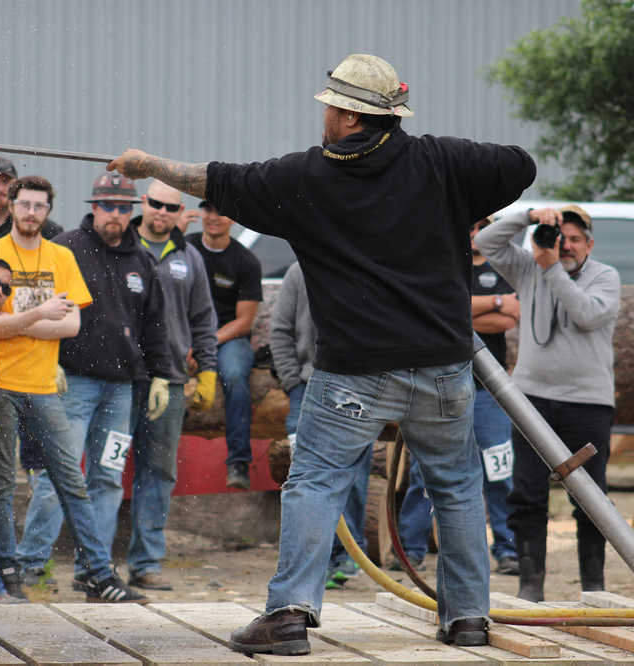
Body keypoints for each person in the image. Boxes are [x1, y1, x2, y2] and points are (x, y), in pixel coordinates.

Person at [108, 52, 536, 654]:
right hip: (442, 367)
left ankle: (288, 614)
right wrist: (458, 195)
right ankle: (467, 618)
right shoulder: (441, 160)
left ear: (345, 113)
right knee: (457, 486)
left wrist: (147, 165)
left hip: (351, 376)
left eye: (331, 106)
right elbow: (520, 164)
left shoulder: (305, 179)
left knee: (315, 482)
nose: (325, 114)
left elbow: (219, 179)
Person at [0, 175, 146, 603]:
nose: (32, 213)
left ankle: (98, 573)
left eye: (40, 207)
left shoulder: (61, 256)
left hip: (44, 387)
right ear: (11, 206)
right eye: (25, 205)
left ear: (49, 211)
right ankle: (6, 574)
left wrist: (21, 320)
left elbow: (72, 324)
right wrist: (40, 317)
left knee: (72, 478)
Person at [14, 172, 176, 591]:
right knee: (58, 474)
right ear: (94, 206)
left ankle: (94, 571)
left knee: (107, 476)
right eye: (109, 206)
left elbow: (155, 325)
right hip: (73, 384)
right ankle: (29, 566)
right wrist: (49, 362)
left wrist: (160, 377)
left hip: (121, 389)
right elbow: (39, 313)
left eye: (124, 208)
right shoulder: (65, 249)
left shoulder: (142, 261)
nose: (117, 215)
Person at [475, 204, 621, 602]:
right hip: (532, 401)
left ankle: (594, 586)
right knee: (527, 496)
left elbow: (587, 314)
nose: (567, 245)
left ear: (590, 244)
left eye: (575, 239)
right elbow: (485, 240)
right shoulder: (528, 268)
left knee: (591, 499)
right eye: (561, 237)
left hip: (587, 404)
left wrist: (552, 268)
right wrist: (529, 217)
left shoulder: (605, 276)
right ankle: (531, 586)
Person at [394, 217, 522, 575]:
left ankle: (508, 548)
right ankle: (411, 549)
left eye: (482, 225)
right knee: (423, 471)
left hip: (490, 392)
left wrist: (464, 312)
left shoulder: (502, 268)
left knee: (499, 469)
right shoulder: (444, 266)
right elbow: (440, 314)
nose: (474, 232)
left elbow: (509, 319)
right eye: (469, 225)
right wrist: (494, 303)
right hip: (441, 386)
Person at [127, 180, 219, 590]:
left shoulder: (190, 257)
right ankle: (90, 566)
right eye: (156, 204)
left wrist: (209, 370)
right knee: (104, 471)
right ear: (143, 203)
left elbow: (203, 319)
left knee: (158, 471)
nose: (163, 212)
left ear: (181, 213)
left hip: (173, 379)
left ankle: (146, 564)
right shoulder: (118, 248)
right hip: (118, 378)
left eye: (171, 207)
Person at [270, 261, 370, 589]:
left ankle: (348, 557)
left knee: (354, 475)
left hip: (356, 389)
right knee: (306, 478)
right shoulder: (298, 273)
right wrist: (292, 382)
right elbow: (280, 330)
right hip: (307, 388)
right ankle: (310, 561)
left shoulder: (364, 267)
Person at [186, 202, 263, 490]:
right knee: (166, 370)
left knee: (233, 376)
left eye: (221, 212)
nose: (213, 217)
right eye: (207, 210)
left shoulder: (245, 261)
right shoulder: (186, 247)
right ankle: (159, 453)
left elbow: (244, 322)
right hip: (187, 336)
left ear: (233, 218)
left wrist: (205, 343)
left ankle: (238, 462)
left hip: (229, 338)